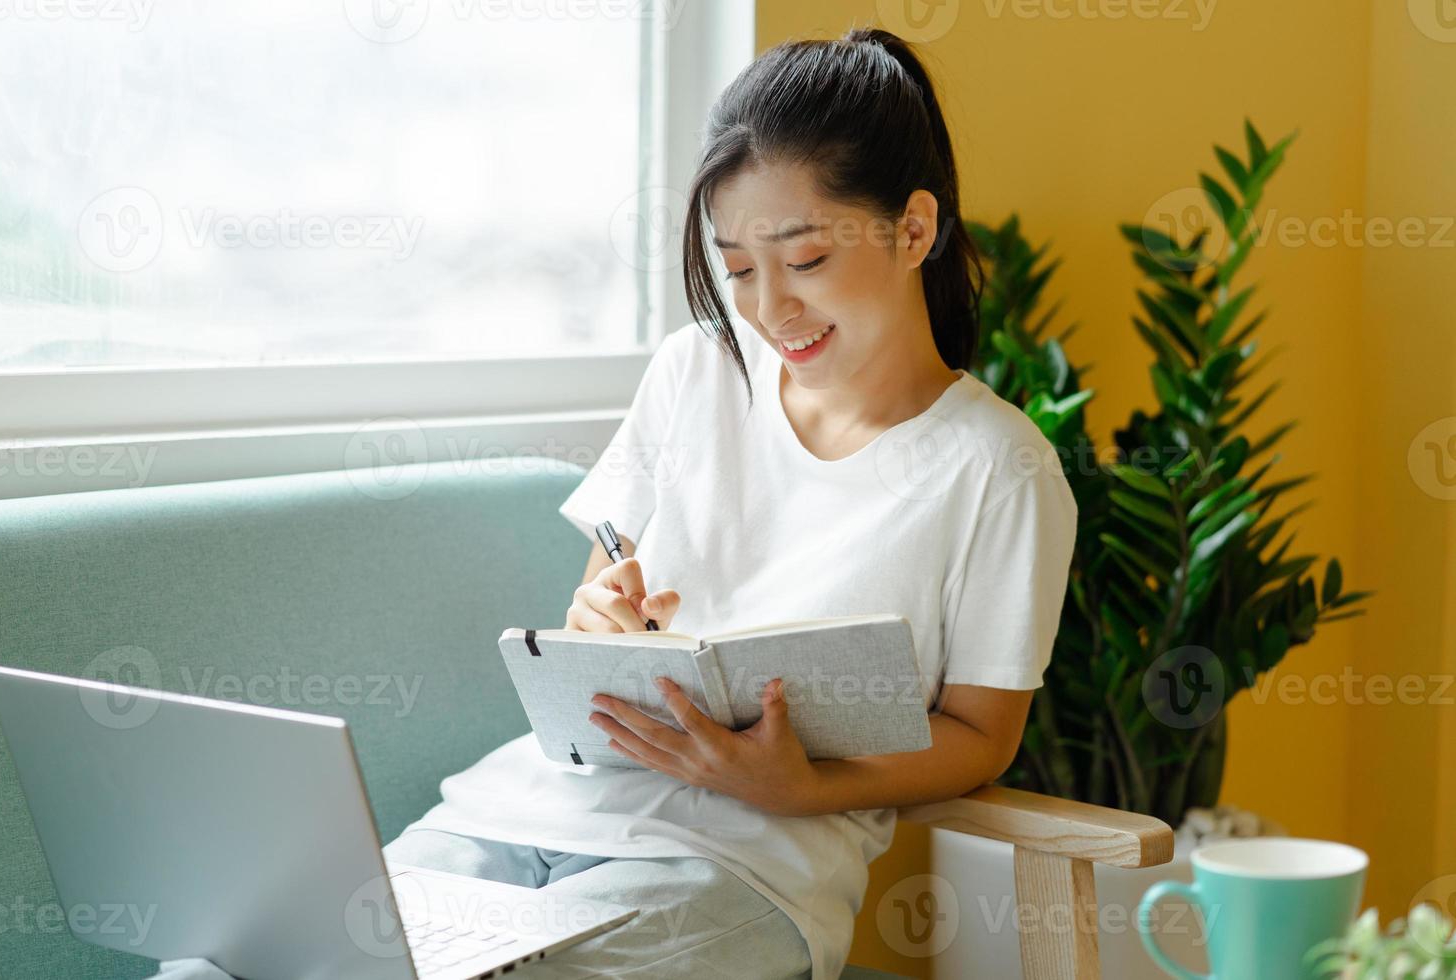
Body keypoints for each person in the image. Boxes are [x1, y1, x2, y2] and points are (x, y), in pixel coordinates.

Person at [382, 26, 1079, 980]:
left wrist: (801, 789)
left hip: (742, 869)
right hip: (523, 812)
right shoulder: (697, 370)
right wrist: (598, 618)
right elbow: (606, 589)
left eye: (803, 262)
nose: (769, 311)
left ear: (914, 229)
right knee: (255, 954)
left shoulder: (999, 470)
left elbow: (980, 738)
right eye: (740, 270)